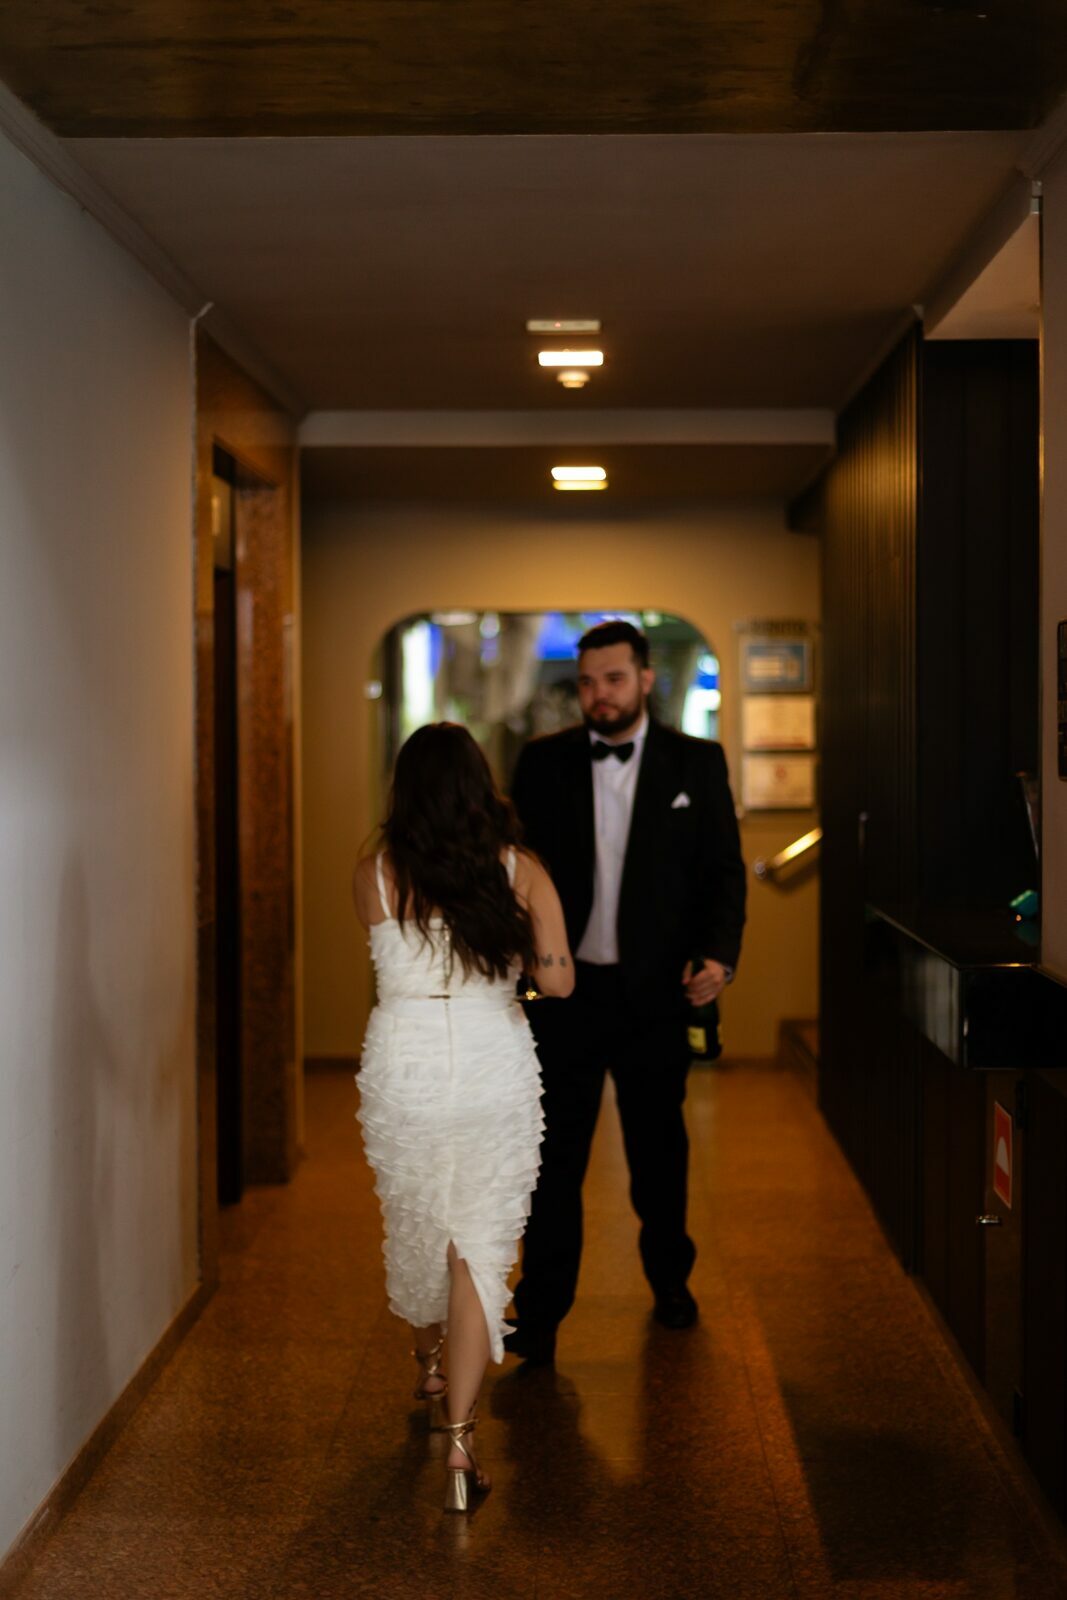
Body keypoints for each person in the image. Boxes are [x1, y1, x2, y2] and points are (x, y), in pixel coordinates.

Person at [504, 619, 746, 1365]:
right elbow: (512, 872)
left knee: (658, 1152)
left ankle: (671, 1282)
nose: (598, 695)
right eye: (586, 682)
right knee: (553, 1161)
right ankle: (539, 1314)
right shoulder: (541, 763)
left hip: (654, 993)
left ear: (644, 679)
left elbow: (722, 871)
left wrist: (719, 956)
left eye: (612, 679)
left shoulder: (696, 761)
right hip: (564, 996)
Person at [352, 722, 573, 1511]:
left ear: (403, 790)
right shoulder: (519, 869)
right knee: (475, 1247)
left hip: (404, 1060)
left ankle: (429, 1366)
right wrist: (517, 973)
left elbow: (391, 961)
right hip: (489, 1061)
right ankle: (460, 1444)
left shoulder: (376, 873)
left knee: (417, 1222)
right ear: (481, 787)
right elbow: (560, 983)